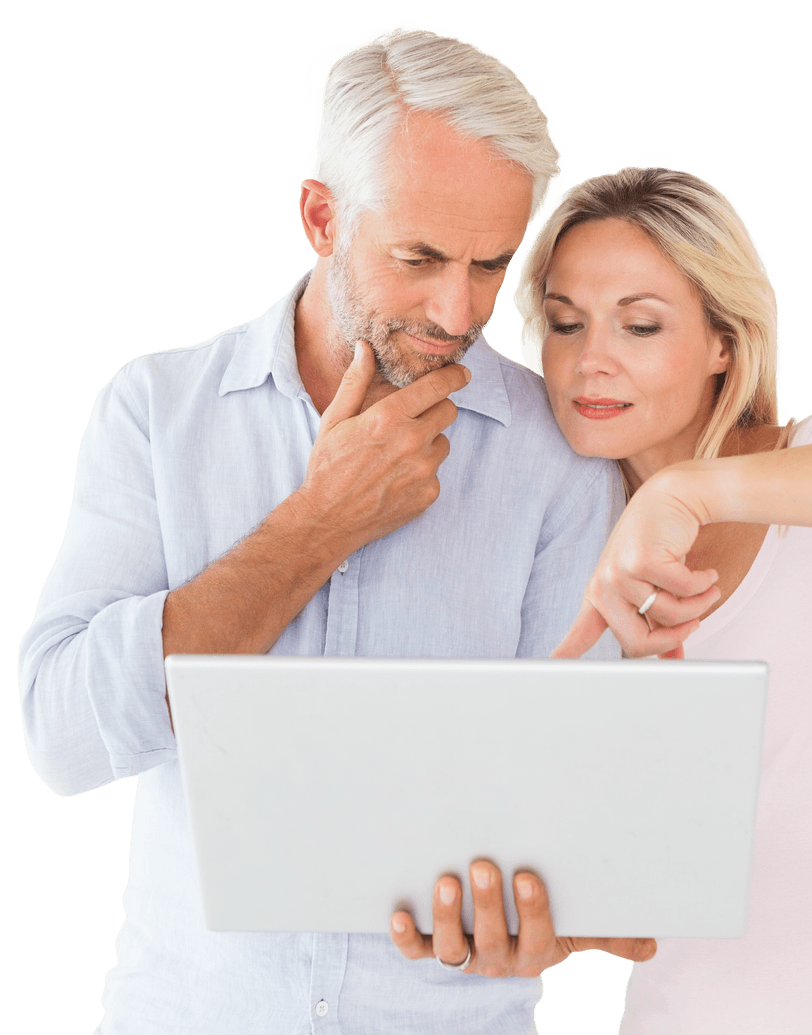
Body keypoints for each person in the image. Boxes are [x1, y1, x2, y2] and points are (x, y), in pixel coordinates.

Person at [16, 23, 657, 1035]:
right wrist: (318, 525)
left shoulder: (561, 454)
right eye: (419, 257)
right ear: (321, 217)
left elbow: (576, 805)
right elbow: (61, 738)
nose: (457, 310)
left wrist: (548, 920)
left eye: (493, 263)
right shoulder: (158, 409)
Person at [396, 160, 812, 1032]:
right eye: (564, 324)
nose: (589, 360)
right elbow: (626, 875)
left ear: (723, 339)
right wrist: (555, 926)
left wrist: (697, 492)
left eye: (639, 324)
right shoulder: (564, 550)